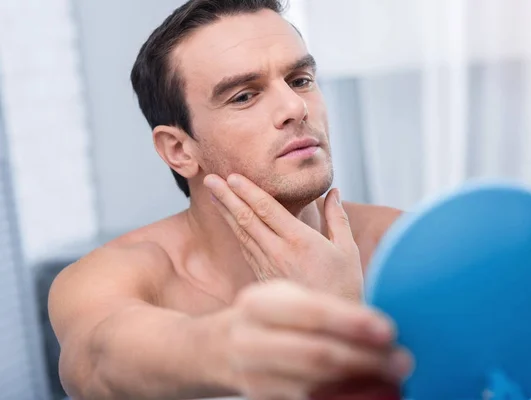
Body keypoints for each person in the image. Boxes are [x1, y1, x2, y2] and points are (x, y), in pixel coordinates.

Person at [49, 1, 414, 399]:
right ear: (179, 150)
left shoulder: (406, 244)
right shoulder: (120, 277)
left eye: (300, 79)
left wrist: (342, 310)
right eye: (243, 96)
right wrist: (234, 349)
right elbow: (98, 360)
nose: (295, 107)